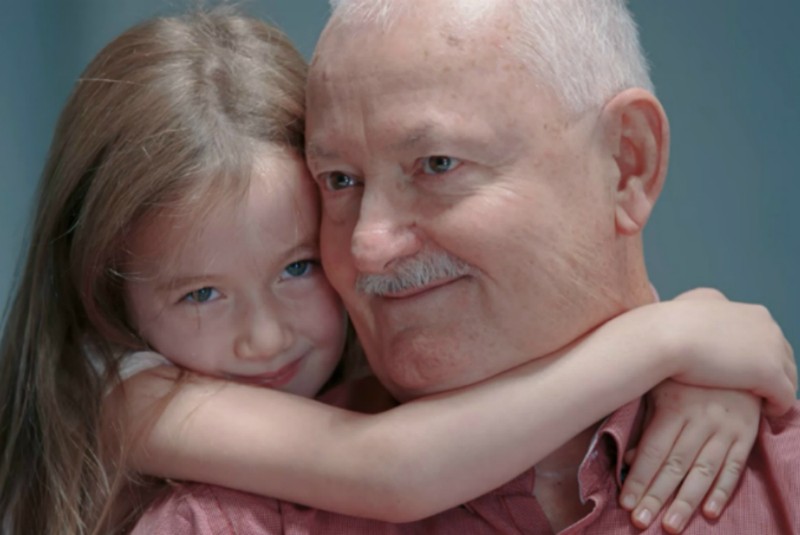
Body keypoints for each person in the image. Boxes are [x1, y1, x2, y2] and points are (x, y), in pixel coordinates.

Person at [0, 7, 792, 535]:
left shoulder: (773, 463)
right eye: (341, 181)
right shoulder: (161, 442)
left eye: (438, 162)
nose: (368, 247)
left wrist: (692, 361)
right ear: (111, 296)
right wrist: (668, 338)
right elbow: (390, 469)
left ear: (628, 163)